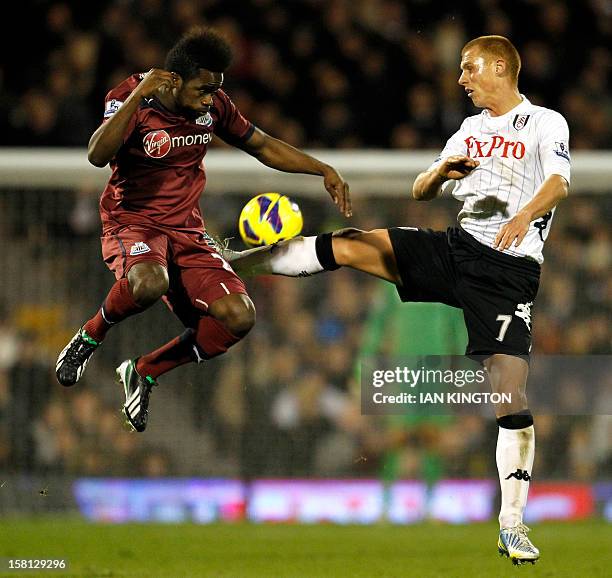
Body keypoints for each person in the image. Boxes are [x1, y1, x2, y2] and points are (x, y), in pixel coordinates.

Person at [228, 35, 570, 565]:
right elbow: (420, 191)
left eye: (469, 68)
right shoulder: (469, 129)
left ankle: (512, 524)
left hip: (507, 273)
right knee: (352, 245)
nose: (462, 79)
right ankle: (237, 263)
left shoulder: (547, 123)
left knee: (510, 391)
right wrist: (440, 172)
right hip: (456, 249)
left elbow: (559, 182)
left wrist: (524, 215)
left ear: (500, 66)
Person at [55, 27, 350, 433]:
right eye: (204, 89)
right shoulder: (130, 97)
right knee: (147, 283)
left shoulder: (214, 107)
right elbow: (96, 154)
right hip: (132, 222)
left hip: (187, 230)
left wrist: (321, 168)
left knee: (238, 317)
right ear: (175, 79)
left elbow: (261, 144)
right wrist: (138, 97)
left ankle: (144, 371)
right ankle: (89, 337)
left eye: (215, 90)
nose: (210, 99)